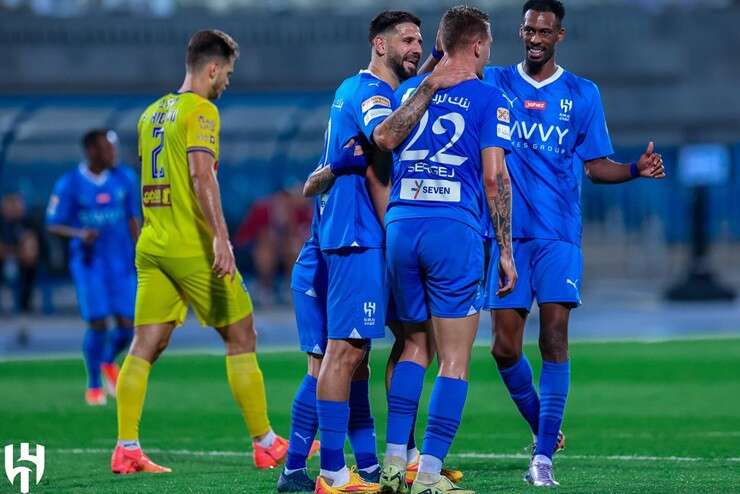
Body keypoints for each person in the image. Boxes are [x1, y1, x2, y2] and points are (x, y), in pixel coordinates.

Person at [424, 0, 667, 486]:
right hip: (504, 235)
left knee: (554, 337)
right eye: (528, 29)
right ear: (520, 32)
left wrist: (635, 170)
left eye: (544, 31)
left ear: (560, 36)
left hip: (558, 236)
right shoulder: (491, 81)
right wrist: (437, 50)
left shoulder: (582, 93)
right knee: (503, 350)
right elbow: (438, 77)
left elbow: (597, 166)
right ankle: (543, 427)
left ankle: (541, 459)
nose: (534, 37)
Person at [299, 10, 473, 494]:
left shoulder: (352, 89)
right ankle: (331, 475)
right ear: (380, 44)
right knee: (346, 351)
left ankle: (406, 458)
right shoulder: (372, 94)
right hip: (360, 235)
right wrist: (434, 82)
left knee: (412, 337)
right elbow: (386, 134)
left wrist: (437, 58)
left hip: (367, 234)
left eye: (421, 42)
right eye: (408, 41)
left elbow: (317, 177)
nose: (415, 49)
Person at [110, 29, 287, 475]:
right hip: (192, 247)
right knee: (242, 334)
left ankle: (126, 446)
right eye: (227, 72)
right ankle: (265, 443)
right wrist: (221, 238)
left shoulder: (151, 114)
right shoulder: (201, 111)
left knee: (146, 342)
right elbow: (200, 175)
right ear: (212, 68)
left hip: (153, 243)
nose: (227, 80)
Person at [380, 6, 516, 494]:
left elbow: (387, 139)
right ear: (478, 46)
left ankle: (394, 465)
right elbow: (495, 176)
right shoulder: (489, 98)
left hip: (401, 225)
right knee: (454, 360)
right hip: (452, 229)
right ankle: (430, 475)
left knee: (414, 345)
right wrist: (505, 249)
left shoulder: (409, 92)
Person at [46, 129, 139, 406]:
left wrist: (142, 251)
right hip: (90, 265)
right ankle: (94, 384)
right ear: (91, 152)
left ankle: (108, 360)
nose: (114, 153)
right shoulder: (70, 183)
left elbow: (134, 218)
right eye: (108, 149)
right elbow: (53, 224)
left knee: (128, 325)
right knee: (98, 322)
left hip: (121, 262)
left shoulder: (126, 178)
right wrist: (79, 234)